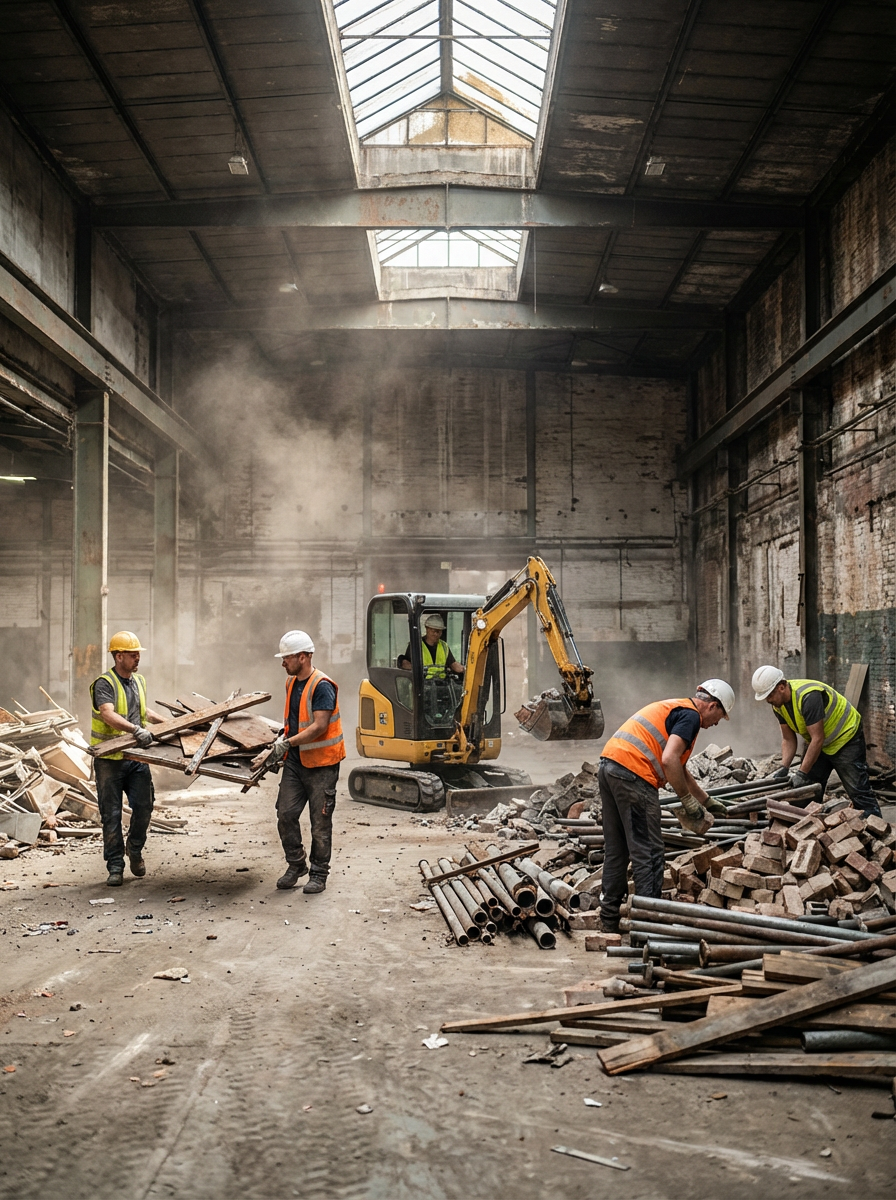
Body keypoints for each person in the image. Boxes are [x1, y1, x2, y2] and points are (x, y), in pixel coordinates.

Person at [597, 679, 735, 933]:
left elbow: (679, 767)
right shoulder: (691, 717)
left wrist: (705, 800)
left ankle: (609, 920)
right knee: (649, 852)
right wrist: (687, 801)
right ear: (713, 706)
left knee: (617, 850)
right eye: (720, 717)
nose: (716, 724)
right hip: (634, 773)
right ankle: (646, 927)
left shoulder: (676, 707)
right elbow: (669, 760)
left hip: (610, 766)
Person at [257, 630, 346, 894]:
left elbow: (319, 726)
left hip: (322, 764)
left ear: (303, 657)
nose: (283, 663)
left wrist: (286, 744)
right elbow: (293, 722)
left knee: (320, 823)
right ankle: (296, 865)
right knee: (285, 814)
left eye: (287, 658)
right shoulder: (291, 683)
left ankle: (319, 873)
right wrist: (280, 741)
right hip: (296, 761)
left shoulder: (322, 686)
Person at [751, 666, 881, 818]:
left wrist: (801, 773)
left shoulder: (808, 697)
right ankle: (809, 825)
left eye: (769, 695)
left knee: (857, 791)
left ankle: (876, 825)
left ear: (781, 687)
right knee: (806, 791)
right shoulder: (778, 706)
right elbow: (788, 739)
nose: (768, 700)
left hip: (846, 738)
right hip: (821, 744)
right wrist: (784, 767)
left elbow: (817, 738)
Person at [90, 631, 165, 887]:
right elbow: (107, 713)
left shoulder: (139, 681)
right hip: (109, 761)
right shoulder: (104, 683)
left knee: (144, 806)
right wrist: (135, 730)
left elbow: (144, 711)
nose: (137, 658)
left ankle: (134, 848)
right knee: (111, 814)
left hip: (136, 757)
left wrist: (170, 724)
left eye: (138, 654)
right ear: (118, 656)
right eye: (133, 654)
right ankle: (115, 866)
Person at [397, 614, 464, 677]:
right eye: (433, 631)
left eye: (439, 631)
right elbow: (406, 664)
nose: (436, 634)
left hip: (442, 683)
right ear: (427, 629)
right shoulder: (416, 645)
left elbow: (453, 664)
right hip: (422, 683)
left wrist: (464, 669)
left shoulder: (444, 646)